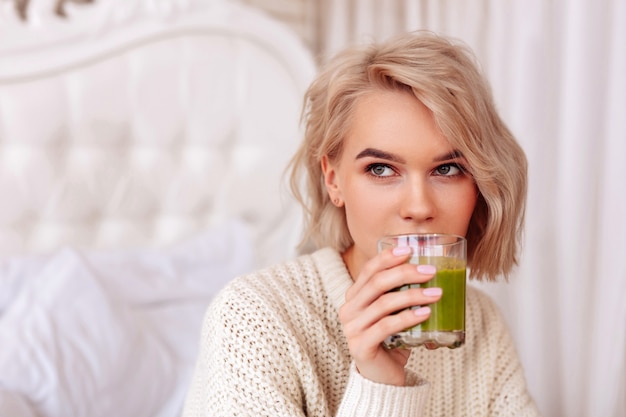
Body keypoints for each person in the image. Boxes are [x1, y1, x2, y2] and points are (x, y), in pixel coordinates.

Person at [181, 31, 541, 416]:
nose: (419, 206)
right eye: (381, 169)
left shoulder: (481, 321)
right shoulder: (253, 318)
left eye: (448, 169)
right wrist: (378, 383)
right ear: (333, 180)